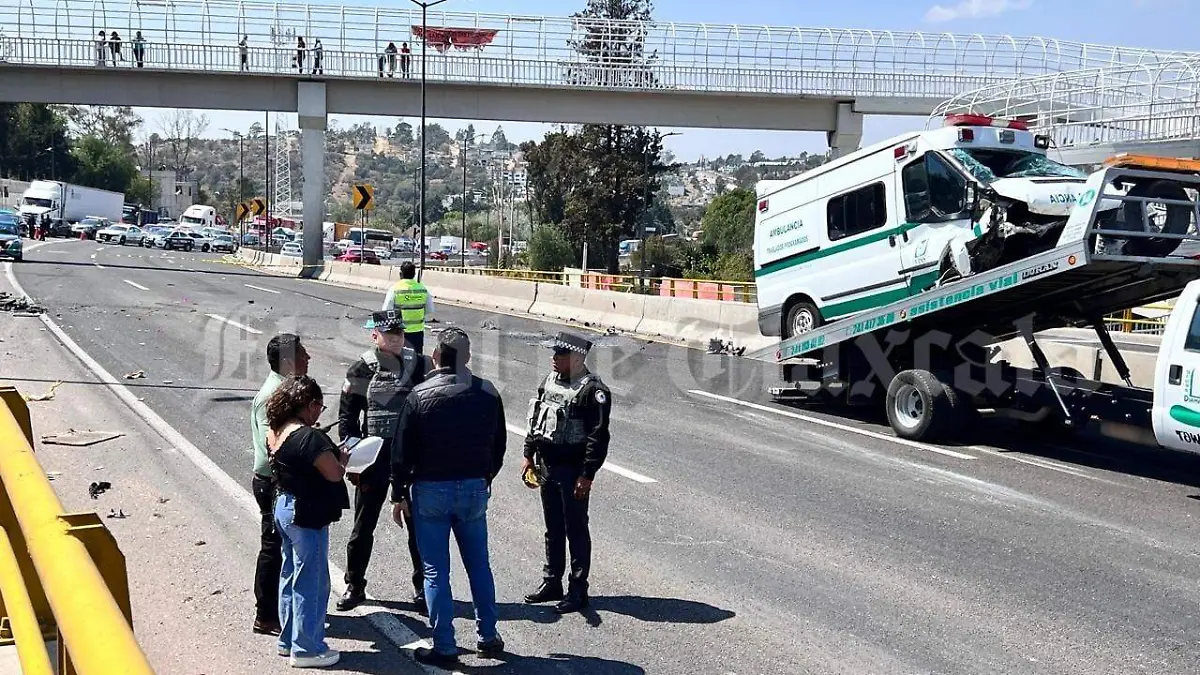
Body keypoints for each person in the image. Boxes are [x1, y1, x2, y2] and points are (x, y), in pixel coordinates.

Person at [391, 327, 507, 666]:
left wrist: (398, 492)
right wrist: (483, 476)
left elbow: (402, 451)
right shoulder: (488, 392)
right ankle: (487, 635)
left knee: (434, 571)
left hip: (430, 490)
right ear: (468, 357)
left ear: (437, 357)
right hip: (473, 488)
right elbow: (498, 446)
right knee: (479, 566)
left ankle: (444, 645)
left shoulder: (419, 395)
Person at [335, 310, 431, 612]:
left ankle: (422, 588)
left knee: (419, 529)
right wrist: (354, 461)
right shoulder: (362, 369)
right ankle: (355, 584)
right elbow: (348, 420)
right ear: (374, 336)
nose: (395, 340)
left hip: (412, 459)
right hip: (374, 460)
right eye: (389, 335)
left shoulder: (420, 367)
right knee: (362, 528)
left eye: (399, 334)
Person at [522, 331, 612, 614]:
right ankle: (552, 581)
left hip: (573, 469)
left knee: (576, 529)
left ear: (577, 357)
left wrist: (587, 475)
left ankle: (577, 588)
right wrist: (528, 454)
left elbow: (598, 437)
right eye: (554, 353)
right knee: (553, 527)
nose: (554, 358)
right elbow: (536, 418)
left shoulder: (593, 391)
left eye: (560, 354)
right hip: (548, 464)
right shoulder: (549, 381)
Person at [267, 375, 350, 668]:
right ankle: (307, 649)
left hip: (284, 506)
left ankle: (288, 639)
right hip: (306, 514)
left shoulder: (276, 430)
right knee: (312, 582)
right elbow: (333, 474)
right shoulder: (309, 437)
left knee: (290, 576)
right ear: (306, 403)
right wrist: (343, 460)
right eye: (318, 406)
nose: (319, 412)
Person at [249, 334, 310, 636]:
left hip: (279, 480)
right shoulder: (274, 395)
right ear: (288, 361)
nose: (308, 358)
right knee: (273, 548)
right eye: (302, 354)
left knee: (284, 547)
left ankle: (284, 608)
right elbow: (271, 443)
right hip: (273, 482)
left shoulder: (285, 391)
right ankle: (266, 614)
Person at [382, 261, 433, 355]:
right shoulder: (422, 289)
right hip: (418, 332)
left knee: (399, 361)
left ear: (400, 274)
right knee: (417, 360)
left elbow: (386, 311)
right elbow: (429, 310)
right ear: (414, 274)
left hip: (399, 332)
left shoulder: (395, 289)